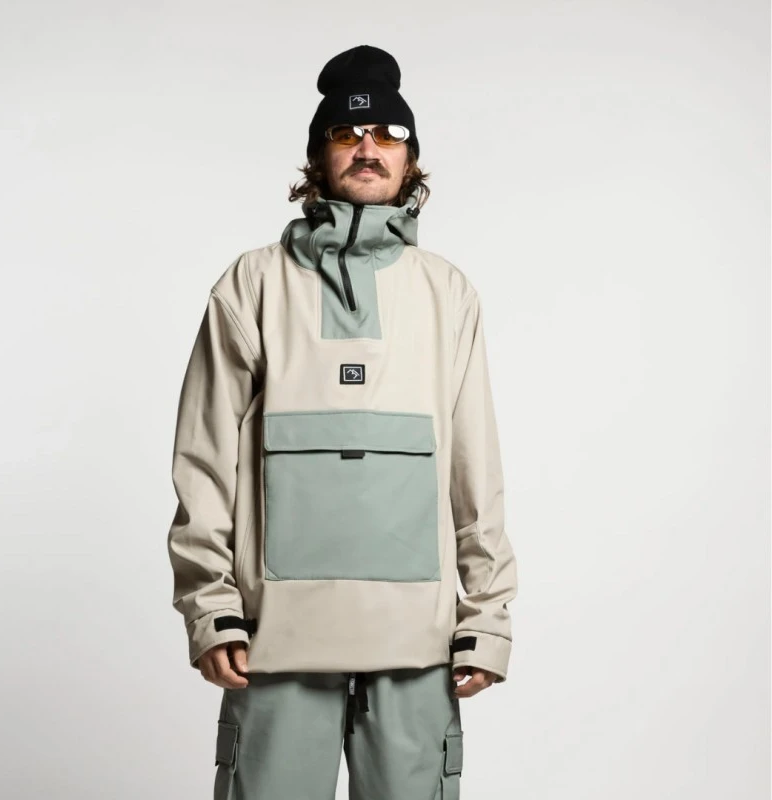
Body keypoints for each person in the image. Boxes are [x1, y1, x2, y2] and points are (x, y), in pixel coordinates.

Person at [166, 44, 518, 800]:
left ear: (410, 159)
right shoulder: (253, 282)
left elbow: (474, 467)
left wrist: (487, 616)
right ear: (317, 156)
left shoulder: (447, 291)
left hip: (418, 643)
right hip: (274, 640)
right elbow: (204, 459)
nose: (368, 146)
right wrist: (211, 610)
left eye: (388, 133)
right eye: (347, 133)